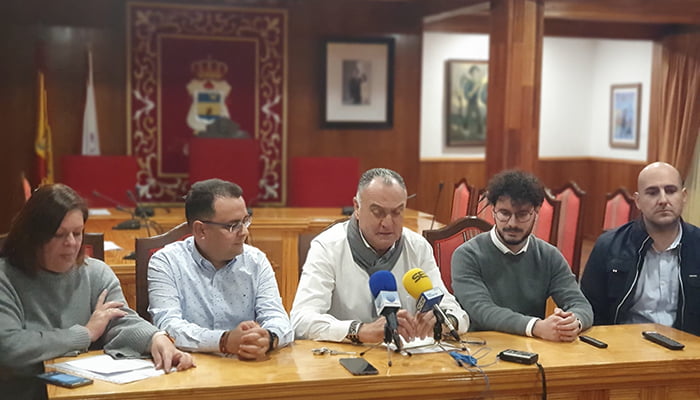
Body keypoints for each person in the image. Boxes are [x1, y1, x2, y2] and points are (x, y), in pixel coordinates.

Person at [0, 184, 194, 382]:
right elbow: (9, 345)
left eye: (77, 233)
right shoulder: (5, 277)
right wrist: (86, 333)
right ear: (33, 236)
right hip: (24, 388)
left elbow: (122, 322)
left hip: (88, 387)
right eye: (59, 234)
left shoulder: (96, 272)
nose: (71, 243)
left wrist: (156, 338)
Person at [290, 168, 469, 344]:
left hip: (407, 357)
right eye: (378, 212)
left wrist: (444, 321)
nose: (388, 223)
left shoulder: (418, 247)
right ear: (357, 208)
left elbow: (457, 313)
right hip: (344, 357)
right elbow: (301, 320)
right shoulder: (327, 247)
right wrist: (360, 331)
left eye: (397, 212)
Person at [148, 179, 292, 360]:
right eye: (233, 225)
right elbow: (167, 326)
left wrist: (269, 338)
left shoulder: (256, 261)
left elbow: (278, 318)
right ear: (201, 230)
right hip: (191, 367)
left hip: (246, 366)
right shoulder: (166, 262)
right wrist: (224, 341)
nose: (244, 232)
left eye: (245, 221)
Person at [451, 170, 593, 342]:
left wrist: (573, 322)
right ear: (493, 210)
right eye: (504, 213)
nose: (512, 223)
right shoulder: (467, 255)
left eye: (522, 215)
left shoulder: (549, 256)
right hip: (481, 347)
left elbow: (580, 304)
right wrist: (536, 326)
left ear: (536, 212)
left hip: (533, 347)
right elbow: (482, 311)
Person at [581, 162, 700, 335]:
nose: (663, 200)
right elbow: (589, 310)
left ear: (683, 196)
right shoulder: (608, 246)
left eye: (670, 191)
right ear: (638, 201)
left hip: (688, 347)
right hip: (624, 345)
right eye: (652, 192)